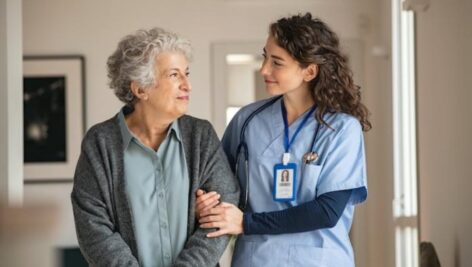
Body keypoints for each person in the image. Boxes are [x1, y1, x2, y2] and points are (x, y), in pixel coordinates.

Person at [196, 13, 371, 267]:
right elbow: (218, 184)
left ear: (309, 71)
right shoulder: (247, 120)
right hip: (256, 260)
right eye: (265, 56)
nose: (264, 69)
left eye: (277, 62)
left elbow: (327, 211)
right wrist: (205, 203)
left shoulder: (342, 129)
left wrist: (246, 223)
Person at [71, 27, 239, 267]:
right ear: (140, 89)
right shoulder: (100, 143)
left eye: (186, 73)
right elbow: (93, 229)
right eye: (174, 75)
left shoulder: (200, 136)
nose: (187, 85)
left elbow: (223, 210)